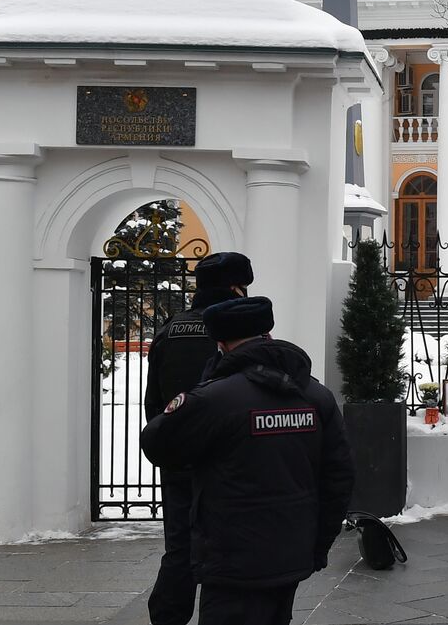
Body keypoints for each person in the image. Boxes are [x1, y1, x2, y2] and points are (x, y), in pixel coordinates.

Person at [140, 297, 354, 625]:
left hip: (231, 561)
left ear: (221, 344)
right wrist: (317, 544)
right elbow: (339, 478)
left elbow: (157, 443)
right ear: (266, 334)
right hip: (291, 555)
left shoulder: (215, 399)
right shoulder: (315, 396)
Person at [142, 250, 253, 625]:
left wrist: (171, 446)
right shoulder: (238, 330)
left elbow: (153, 402)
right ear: (236, 288)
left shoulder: (169, 330)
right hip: (229, 465)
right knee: (232, 550)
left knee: (179, 550)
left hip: (178, 462)